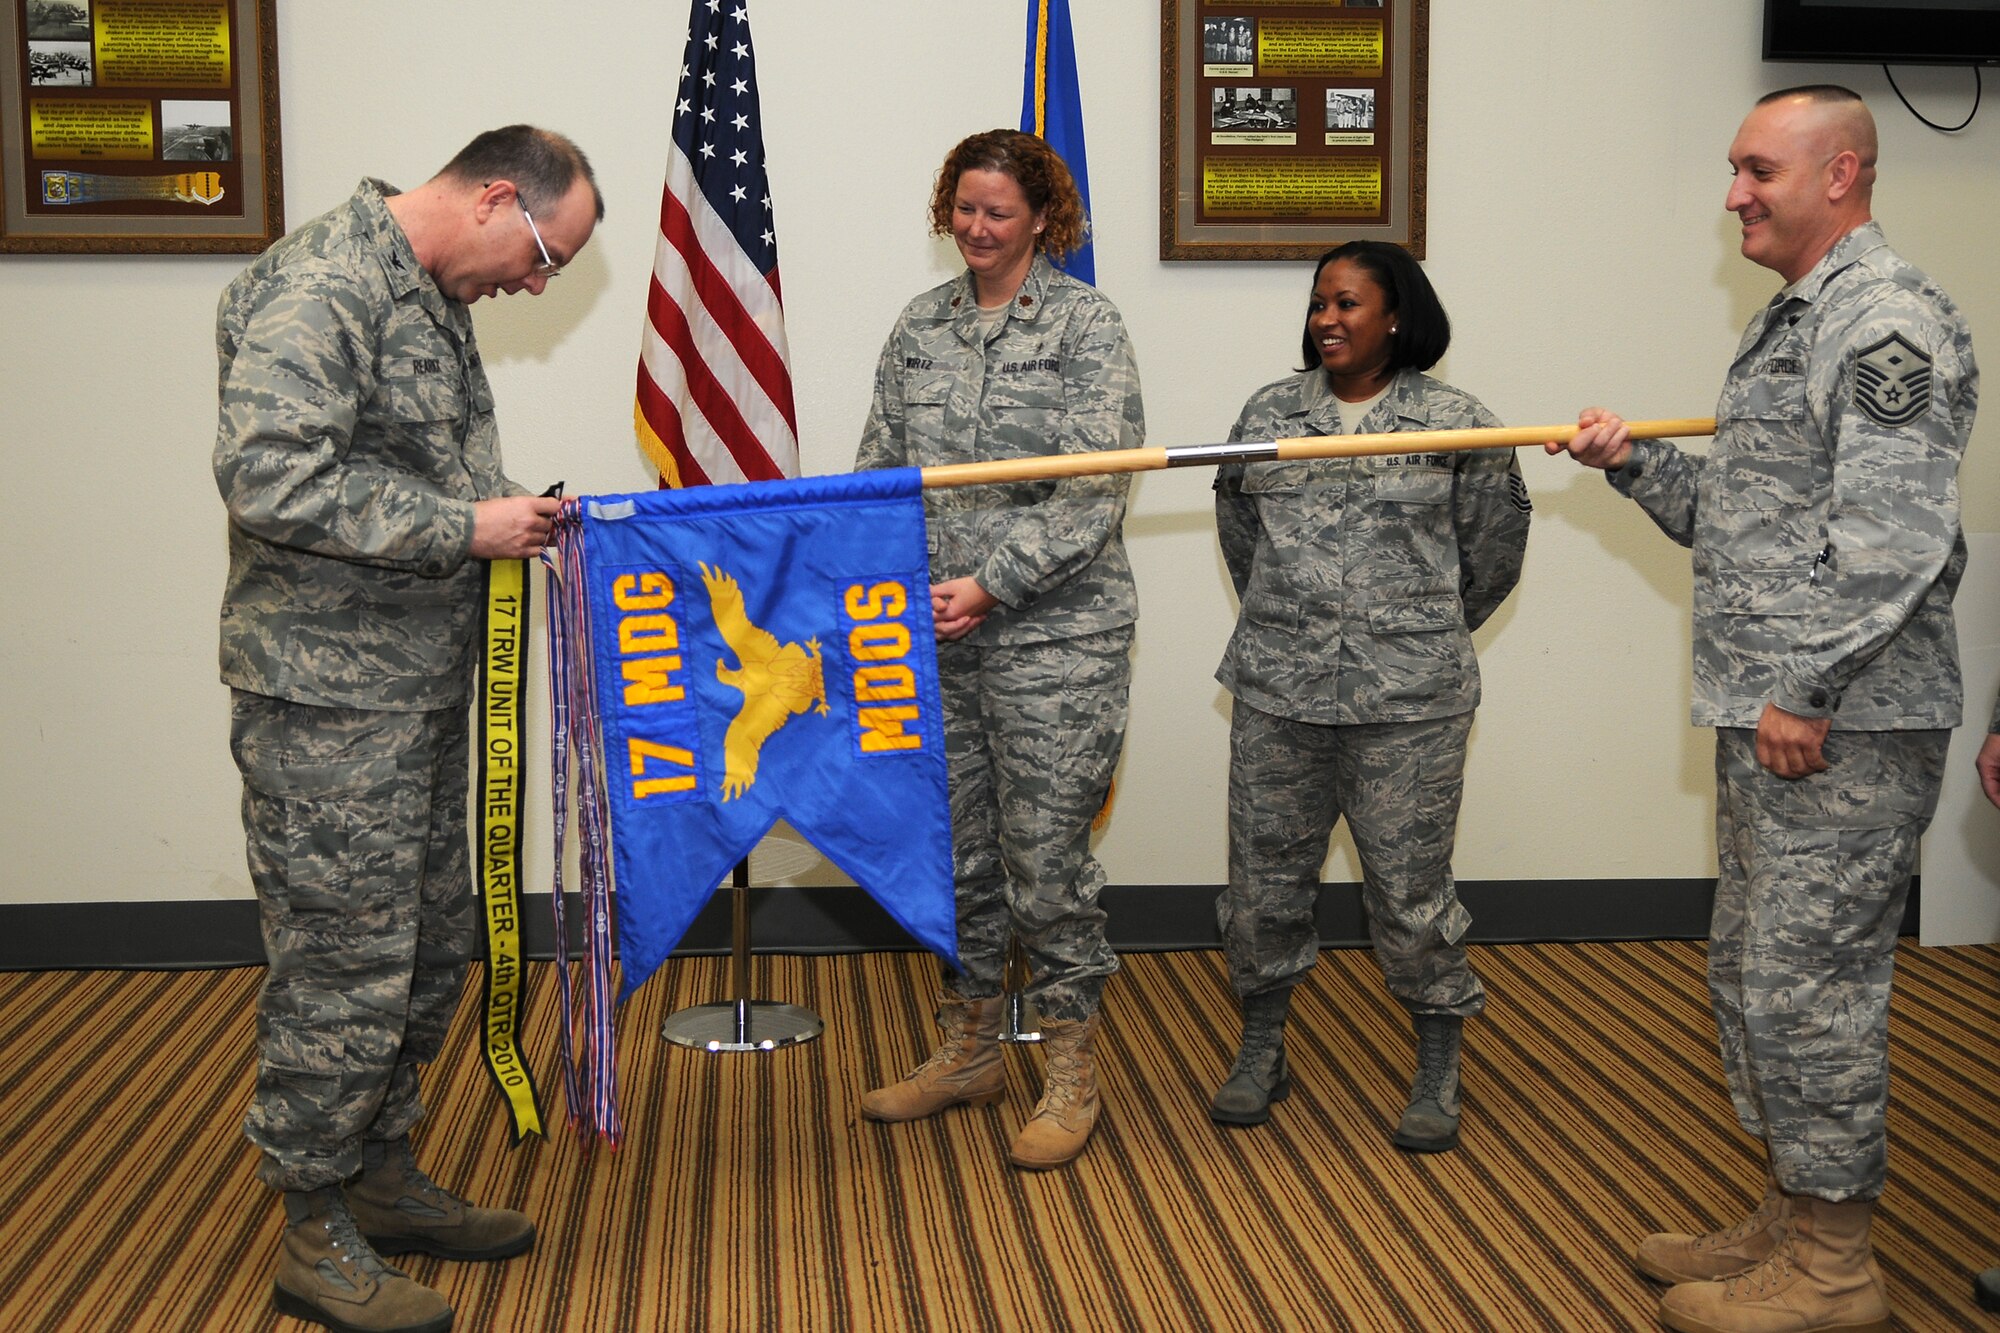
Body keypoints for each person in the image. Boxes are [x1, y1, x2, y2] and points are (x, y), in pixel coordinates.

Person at [1547, 86, 1976, 1333]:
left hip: (1838, 723)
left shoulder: (1883, 322)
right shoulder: (1792, 322)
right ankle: (1794, 1216)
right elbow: (1740, 528)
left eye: (1755, 171)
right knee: (1751, 974)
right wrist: (1632, 466)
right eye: (1734, 170)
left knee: (1810, 990)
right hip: (1777, 720)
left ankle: (1836, 1274)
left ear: (1839, 175)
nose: (1732, 193)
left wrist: (1803, 688)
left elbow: (1895, 541)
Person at [215, 125, 602, 1333]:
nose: (539, 285)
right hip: (331, 704)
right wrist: (462, 527)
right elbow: (268, 473)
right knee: (344, 966)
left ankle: (380, 1176)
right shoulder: (324, 282)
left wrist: (506, 514)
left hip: (419, 686)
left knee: (430, 948)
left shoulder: (428, 290)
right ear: (496, 197)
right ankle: (312, 1225)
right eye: (545, 255)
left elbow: (415, 470)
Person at [853, 128, 1144, 1171]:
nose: (976, 230)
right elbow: (878, 471)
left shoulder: (1083, 325)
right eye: (963, 209)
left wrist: (991, 584)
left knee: (1046, 863)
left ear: (1041, 221)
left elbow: (1093, 489)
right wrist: (882, 590)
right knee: (960, 857)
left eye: (998, 214)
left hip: (1052, 638)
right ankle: (968, 1048)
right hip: (934, 637)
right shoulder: (918, 327)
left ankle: (1070, 1068)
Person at [1207, 241, 1530, 1151]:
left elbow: (1493, 554)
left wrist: (1408, 635)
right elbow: (1243, 534)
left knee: (1410, 894)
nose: (1328, 320)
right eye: (1319, 303)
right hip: (1280, 692)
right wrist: (1293, 623)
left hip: (1411, 704)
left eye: (1349, 304)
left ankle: (1438, 1059)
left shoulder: (1459, 422)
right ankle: (1262, 1042)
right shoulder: (1268, 412)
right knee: (1263, 887)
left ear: (1397, 316)